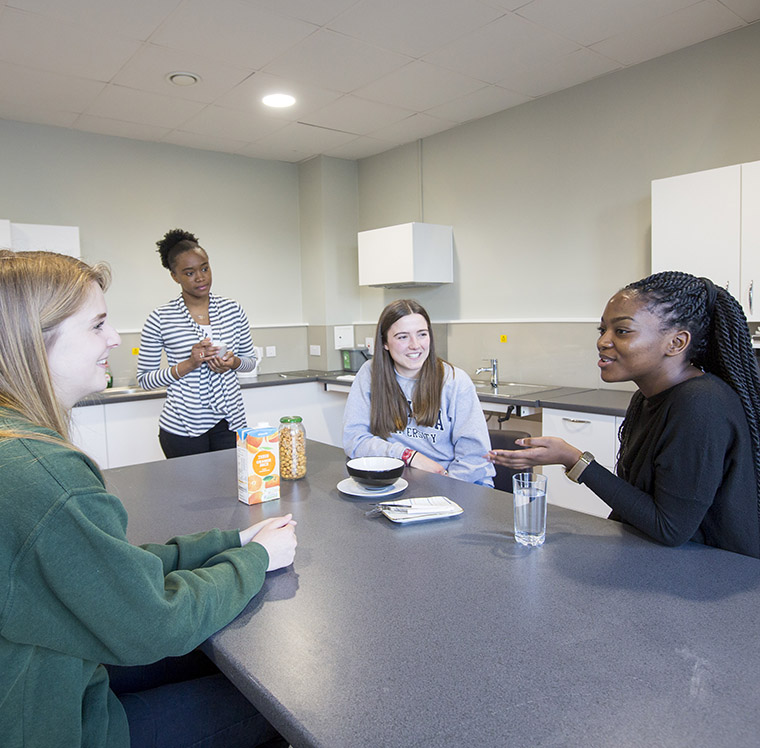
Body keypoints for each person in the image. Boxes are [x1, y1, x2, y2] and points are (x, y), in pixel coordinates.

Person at [0, 250, 297, 747]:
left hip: (52, 673)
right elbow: (155, 623)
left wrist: (231, 539)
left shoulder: (19, 450)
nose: (115, 338)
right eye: (98, 325)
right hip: (61, 724)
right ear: (34, 340)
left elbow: (106, 569)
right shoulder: (48, 476)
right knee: (270, 702)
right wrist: (255, 558)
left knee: (214, 665)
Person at [488, 271, 760, 559]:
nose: (603, 341)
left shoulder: (701, 405)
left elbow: (669, 528)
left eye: (621, 331)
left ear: (677, 343)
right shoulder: (646, 397)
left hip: (717, 577)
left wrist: (574, 459)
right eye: (602, 330)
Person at [343, 299, 495, 485]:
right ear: (385, 343)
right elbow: (354, 440)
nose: (415, 345)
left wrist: (444, 492)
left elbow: (474, 460)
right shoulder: (370, 373)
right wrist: (408, 456)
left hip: (457, 482)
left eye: (422, 334)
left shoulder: (455, 381)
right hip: (401, 481)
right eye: (402, 337)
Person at [138, 229, 258, 458]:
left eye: (205, 268)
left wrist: (233, 363)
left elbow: (250, 363)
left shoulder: (233, 310)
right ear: (175, 276)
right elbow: (145, 380)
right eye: (189, 272)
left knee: (232, 489)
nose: (201, 277)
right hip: (183, 429)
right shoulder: (161, 317)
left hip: (231, 423)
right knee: (190, 493)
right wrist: (189, 364)